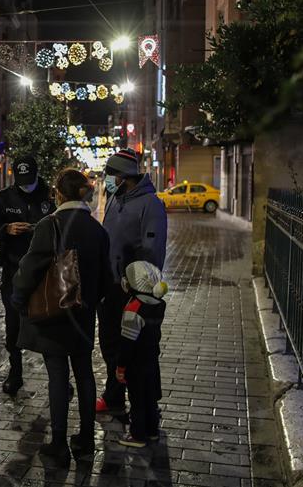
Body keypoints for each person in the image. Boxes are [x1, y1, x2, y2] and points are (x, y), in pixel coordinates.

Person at [11, 169, 111, 465]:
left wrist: (18, 299)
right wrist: (91, 301)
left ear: (58, 193)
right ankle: (86, 438)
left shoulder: (49, 225)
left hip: (55, 314)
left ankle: (58, 443)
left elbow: (30, 269)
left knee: (58, 375)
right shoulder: (98, 230)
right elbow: (107, 278)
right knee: (84, 374)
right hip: (83, 316)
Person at [97, 149, 167, 415]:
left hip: (134, 290)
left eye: (110, 175)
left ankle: (149, 402)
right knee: (110, 343)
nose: (107, 180)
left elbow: (153, 249)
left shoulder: (151, 204)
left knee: (142, 349)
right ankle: (114, 396)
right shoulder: (116, 197)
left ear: (124, 176)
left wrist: (141, 288)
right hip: (110, 287)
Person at [0, 155, 55, 395]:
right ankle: (15, 373)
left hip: (44, 271)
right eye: (21, 180)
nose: (26, 184)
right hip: (13, 269)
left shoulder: (50, 196)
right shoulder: (4, 198)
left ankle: (57, 378)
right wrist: (7, 229)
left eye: (30, 179)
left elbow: (62, 226)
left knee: (49, 323)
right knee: (13, 324)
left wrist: (41, 230)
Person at [115, 261, 168, 448]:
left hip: (136, 363)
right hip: (152, 358)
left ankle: (137, 435)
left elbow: (127, 344)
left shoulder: (133, 309)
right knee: (150, 396)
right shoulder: (159, 304)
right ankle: (152, 431)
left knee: (137, 398)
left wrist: (121, 367)